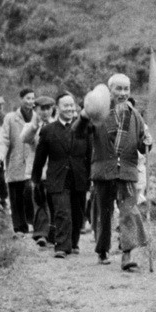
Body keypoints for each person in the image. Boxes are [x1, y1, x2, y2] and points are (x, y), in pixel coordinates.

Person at [78, 73, 149, 270]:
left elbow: (142, 145)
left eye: (126, 89)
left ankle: (127, 255)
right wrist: (84, 117)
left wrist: (146, 142)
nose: (123, 93)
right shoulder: (98, 114)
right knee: (104, 213)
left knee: (128, 211)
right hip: (103, 170)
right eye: (119, 89)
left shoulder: (135, 116)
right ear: (110, 91)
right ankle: (102, 249)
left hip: (126, 171)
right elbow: (79, 133)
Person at [31, 92, 91, 259]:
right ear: (57, 108)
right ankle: (62, 246)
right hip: (58, 177)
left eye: (72, 105)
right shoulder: (48, 130)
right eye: (66, 106)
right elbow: (40, 157)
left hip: (79, 176)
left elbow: (90, 154)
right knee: (62, 211)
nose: (70, 109)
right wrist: (35, 179)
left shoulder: (85, 128)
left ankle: (73, 242)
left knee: (77, 212)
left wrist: (90, 178)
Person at [0, 88, 36, 235]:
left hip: (32, 161)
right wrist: (0, 155)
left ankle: (31, 222)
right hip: (15, 159)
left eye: (33, 98)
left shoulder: (37, 117)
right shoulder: (10, 118)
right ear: (21, 99)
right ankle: (19, 227)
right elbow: (4, 139)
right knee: (15, 194)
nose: (30, 101)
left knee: (29, 191)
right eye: (28, 98)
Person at [22, 96, 57, 247]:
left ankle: (53, 234)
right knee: (40, 201)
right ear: (35, 109)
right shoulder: (30, 126)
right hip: (37, 171)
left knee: (55, 203)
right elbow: (24, 138)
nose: (45, 112)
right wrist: (35, 126)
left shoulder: (58, 125)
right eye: (42, 108)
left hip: (55, 171)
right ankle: (41, 234)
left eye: (48, 108)